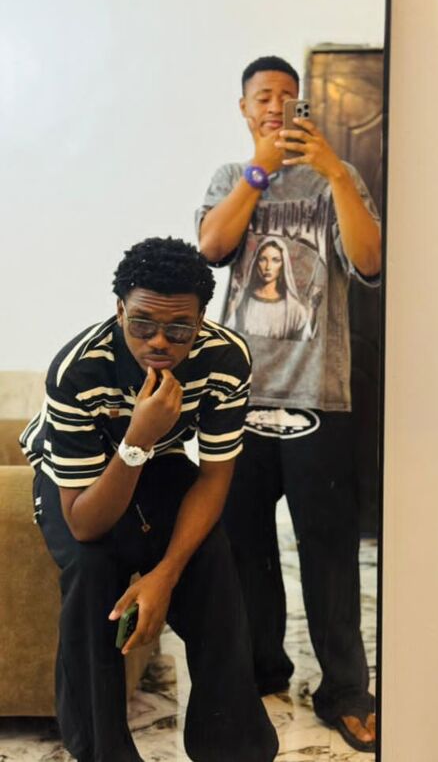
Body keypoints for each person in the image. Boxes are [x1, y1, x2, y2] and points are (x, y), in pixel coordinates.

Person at [20, 237, 278, 762]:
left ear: (201, 321)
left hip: (158, 456)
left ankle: (234, 749)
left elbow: (215, 476)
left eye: (179, 328)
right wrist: (138, 436)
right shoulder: (79, 370)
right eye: (142, 324)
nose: (159, 341)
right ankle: (104, 753)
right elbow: (84, 522)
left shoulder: (226, 358)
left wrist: (166, 573)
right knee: (92, 567)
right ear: (120, 311)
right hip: (79, 479)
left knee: (212, 557)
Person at [196, 55, 382, 753]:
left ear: (304, 107)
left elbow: (370, 261)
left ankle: (346, 691)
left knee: (329, 551)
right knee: (244, 546)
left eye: (288, 96)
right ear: (244, 108)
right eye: (264, 96)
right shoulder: (229, 178)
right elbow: (212, 245)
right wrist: (259, 172)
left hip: (318, 397)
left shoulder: (338, 178)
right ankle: (260, 670)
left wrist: (335, 172)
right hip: (239, 397)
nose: (277, 106)